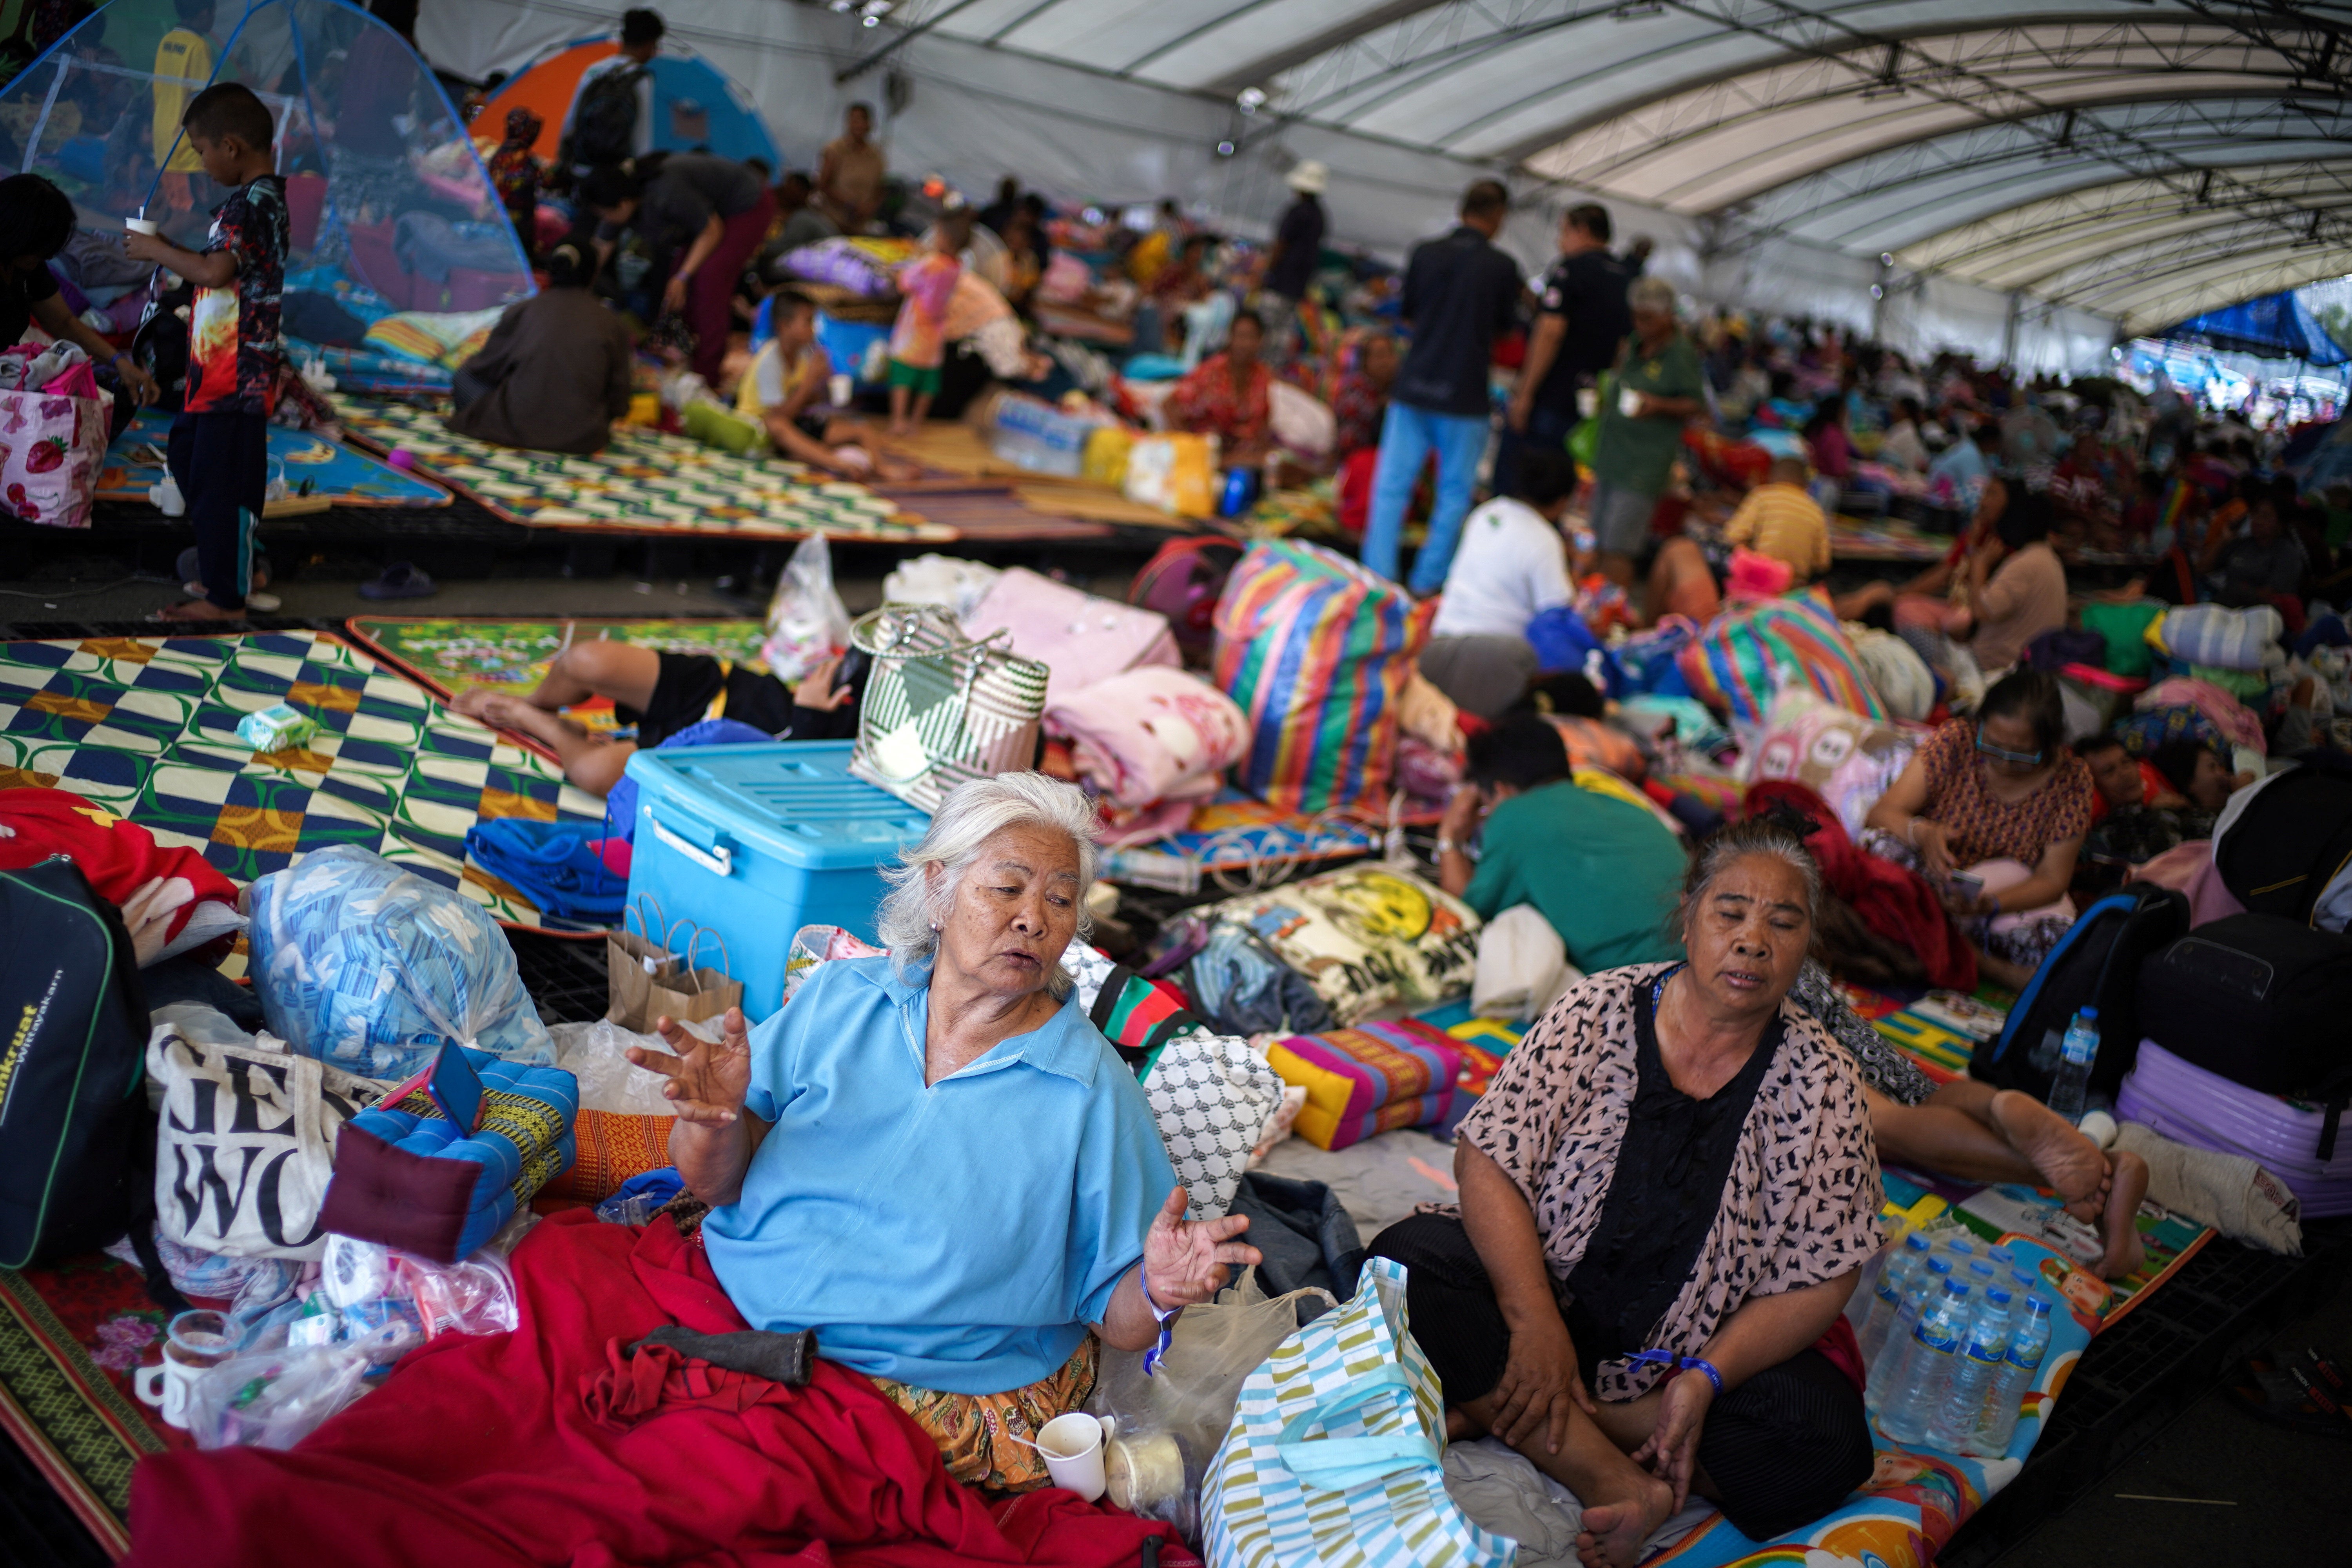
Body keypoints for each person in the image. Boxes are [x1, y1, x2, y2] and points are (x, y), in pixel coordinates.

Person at [622, 775, 1259, 1492]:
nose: (1034, 921)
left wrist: (1162, 1290)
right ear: (936, 891)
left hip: (908, 1386)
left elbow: (1118, 1318)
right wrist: (710, 1125)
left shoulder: (1089, 1092)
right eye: (1007, 888)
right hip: (729, 1304)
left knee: (712, 1491)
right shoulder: (844, 998)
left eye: (1059, 900)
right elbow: (715, 1185)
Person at [1371, 820, 1881, 1564]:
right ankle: (1617, 1476)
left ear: (1807, 943)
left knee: (1826, 1439)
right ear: (1688, 915)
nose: (1753, 941)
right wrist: (1534, 1320)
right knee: (1406, 1264)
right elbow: (1489, 1160)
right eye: (1730, 913)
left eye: (1783, 921)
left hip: (1682, 1364)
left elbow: (1828, 1270)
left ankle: (1529, 1409)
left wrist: (1706, 1380)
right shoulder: (1598, 1009)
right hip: (1540, 1303)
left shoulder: (1826, 1082)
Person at [124, 84, 286, 624]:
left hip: (234, 374)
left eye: (201, 149)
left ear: (232, 147)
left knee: (220, 482)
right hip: (215, 368)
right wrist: (173, 248)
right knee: (191, 460)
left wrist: (156, 249)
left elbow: (217, 272)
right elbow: (224, 266)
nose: (200, 160)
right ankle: (242, 561)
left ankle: (225, 599)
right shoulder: (260, 202)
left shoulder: (250, 203)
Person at [1863, 669, 2093, 987]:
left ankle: (1956, 949)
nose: (2004, 763)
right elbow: (1883, 813)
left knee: (2062, 941)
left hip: (2003, 903)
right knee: (1877, 846)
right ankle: (1965, 951)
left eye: (2022, 755)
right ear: (1979, 726)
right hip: (1931, 883)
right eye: (1993, 747)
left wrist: (1991, 905)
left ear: (2052, 743)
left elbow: (2052, 880)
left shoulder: (2071, 780)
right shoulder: (1957, 741)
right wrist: (1925, 834)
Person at [1363, 179, 1524, 595]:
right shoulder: (1503, 268)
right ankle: (1427, 582)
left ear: (1462, 209)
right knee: (1453, 495)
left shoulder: (1425, 253)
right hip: (1465, 393)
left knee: (1392, 487)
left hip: (1415, 384)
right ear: (1497, 217)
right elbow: (1505, 332)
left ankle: (1376, 577)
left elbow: (1410, 314)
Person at [451, 633, 861, 794]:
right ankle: (540, 701)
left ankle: (529, 717)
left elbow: (809, 788)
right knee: (586, 660)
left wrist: (810, 716)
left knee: (595, 773)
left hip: (727, 758)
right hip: (730, 694)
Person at [1436, 716, 1688, 973]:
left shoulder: (1514, 815)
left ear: (1500, 790)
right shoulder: (1625, 807)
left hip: (1645, 983)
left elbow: (1462, 918)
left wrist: (1450, 837)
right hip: (1699, 962)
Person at [580, 152, 775, 385]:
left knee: (708, 283)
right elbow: (600, 248)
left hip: (746, 206)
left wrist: (684, 276)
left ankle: (707, 376)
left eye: (605, 214)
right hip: (709, 219)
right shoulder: (622, 201)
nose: (605, 219)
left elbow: (711, 230)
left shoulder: (666, 192)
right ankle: (686, 355)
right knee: (674, 290)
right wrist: (577, 289)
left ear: (623, 204)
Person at [1420, 450, 1578, 719]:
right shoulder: (1545, 539)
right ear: (1562, 501)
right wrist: (1580, 567)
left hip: (1438, 643)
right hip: (1495, 661)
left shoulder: (1486, 513)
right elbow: (1557, 613)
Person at [447, 242, 633, 455]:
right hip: (582, 438)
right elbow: (619, 400)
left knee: (463, 376)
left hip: (513, 428)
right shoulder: (612, 322)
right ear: (593, 275)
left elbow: (484, 368)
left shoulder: (525, 310)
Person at [1588, 276, 1706, 589]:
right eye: (1636, 316)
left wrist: (1658, 404)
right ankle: (1594, 606)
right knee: (1598, 537)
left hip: (1642, 465)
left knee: (1620, 547)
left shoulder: (1681, 354)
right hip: (1613, 455)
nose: (1640, 324)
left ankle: (1613, 613)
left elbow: (1696, 404)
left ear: (1668, 315)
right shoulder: (1634, 344)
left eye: (1648, 318)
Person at [0, 176, 159, 407]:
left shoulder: (25, 266)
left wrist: (119, 362)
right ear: (16, 237)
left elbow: (63, 322)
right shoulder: (23, 259)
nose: (44, 258)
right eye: (38, 251)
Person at [1505, 203, 1631, 495]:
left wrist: (1525, 393)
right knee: (1560, 485)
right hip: (1589, 401)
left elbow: (1550, 333)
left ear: (1583, 231)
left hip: (1553, 394)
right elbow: (1624, 349)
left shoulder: (1571, 270)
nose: (1560, 241)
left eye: (1564, 232)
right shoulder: (1626, 278)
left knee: (1525, 482)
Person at [735, 289, 869, 475]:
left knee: (860, 431)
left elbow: (808, 401)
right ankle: (837, 464)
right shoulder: (770, 360)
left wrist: (824, 382)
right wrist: (810, 380)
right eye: (808, 322)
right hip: (758, 429)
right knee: (777, 425)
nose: (813, 329)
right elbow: (781, 415)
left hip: (794, 422)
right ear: (784, 326)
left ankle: (882, 469)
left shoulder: (805, 354)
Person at [1958, 486, 2066, 671]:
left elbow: (1982, 612)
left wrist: (1979, 566)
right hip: (2027, 662)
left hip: (1999, 665)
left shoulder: (2025, 564)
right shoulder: (2048, 559)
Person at [886, 196, 968, 436]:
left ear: (944, 238)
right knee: (927, 381)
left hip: (914, 331)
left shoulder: (931, 263)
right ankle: (915, 424)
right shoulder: (956, 267)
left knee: (903, 375)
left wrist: (896, 274)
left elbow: (906, 282)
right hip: (935, 333)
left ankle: (898, 421)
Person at [1162, 309, 1272, 464]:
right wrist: (1190, 446)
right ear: (1230, 338)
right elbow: (1170, 405)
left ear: (1260, 342)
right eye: (1241, 337)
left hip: (1243, 453)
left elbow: (1263, 423)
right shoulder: (1212, 373)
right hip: (1208, 451)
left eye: (1251, 338)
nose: (1245, 344)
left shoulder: (1262, 376)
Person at [560, 8, 663, 170]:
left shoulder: (594, 70)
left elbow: (571, 120)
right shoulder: (641, 78)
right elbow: (642, 134)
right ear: (650, 44)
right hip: (613, 174)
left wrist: (564, 162)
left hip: (581, 166)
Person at [1720, 454, 1831, 583]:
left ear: (1770, 477)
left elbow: (1732, 536)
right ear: (1806, 484)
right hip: (1795, 584)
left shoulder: (1762, 496)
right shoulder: (1815, 509)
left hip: (1760, 578)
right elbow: (1822, 563)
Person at [1258, 160, 1326, 365]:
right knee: (1283, 332)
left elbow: (1281, 244)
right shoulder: (1320, 216)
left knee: (1266, 326)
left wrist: (1265, 271)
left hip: (1280, 281)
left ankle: (1259, 367)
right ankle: (1274, 370)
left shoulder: (1296, 212)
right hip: (1298, 286)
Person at [148, 0, 215, 207]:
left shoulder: (167, 40)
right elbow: (201, 98)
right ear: (205, 13)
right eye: (213, 13)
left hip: (163, 134)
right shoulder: (198, 46)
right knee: (190, 212)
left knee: (169, 204)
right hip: (185, 140)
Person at [2204, 492, 2309, 607]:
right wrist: (2222, 541)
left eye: (2265, 516)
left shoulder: (2288, 554)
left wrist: (2240, 589)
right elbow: (2203, 568)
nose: (2258, 521)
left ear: (2280, 524)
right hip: (2225, 607)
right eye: (2255, 514)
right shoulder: (2243, 544)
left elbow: (2271, 595)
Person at [484, 108, 544, 262]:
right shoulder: (521, 155)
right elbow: (533, 178)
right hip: (516, 214)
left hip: (499, 213)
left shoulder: (502, 152)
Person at [818, 102, 887, 233]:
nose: (858, 125)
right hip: (834, 221)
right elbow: (823, 185)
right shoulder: (835, 150)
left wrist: (870, 208)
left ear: (869, 125)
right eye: (854, 121)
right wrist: (849, 205)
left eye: (862, 121)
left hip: (861, 225)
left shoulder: (876, 156)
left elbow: (880, 188)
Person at [1330, 328, 1396, 459]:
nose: (1387, 362)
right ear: (1365, 363)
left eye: (1391, 354)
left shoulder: (1395, 389)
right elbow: (1349, 444)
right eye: (1380, 355)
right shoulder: (1354, 393)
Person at [1878, 397, 1930, 472]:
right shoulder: (1910, 429)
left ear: (1904, 411)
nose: (1892, 412)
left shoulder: (1904, 431)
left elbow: (1884, 453)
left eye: (1896, 408)